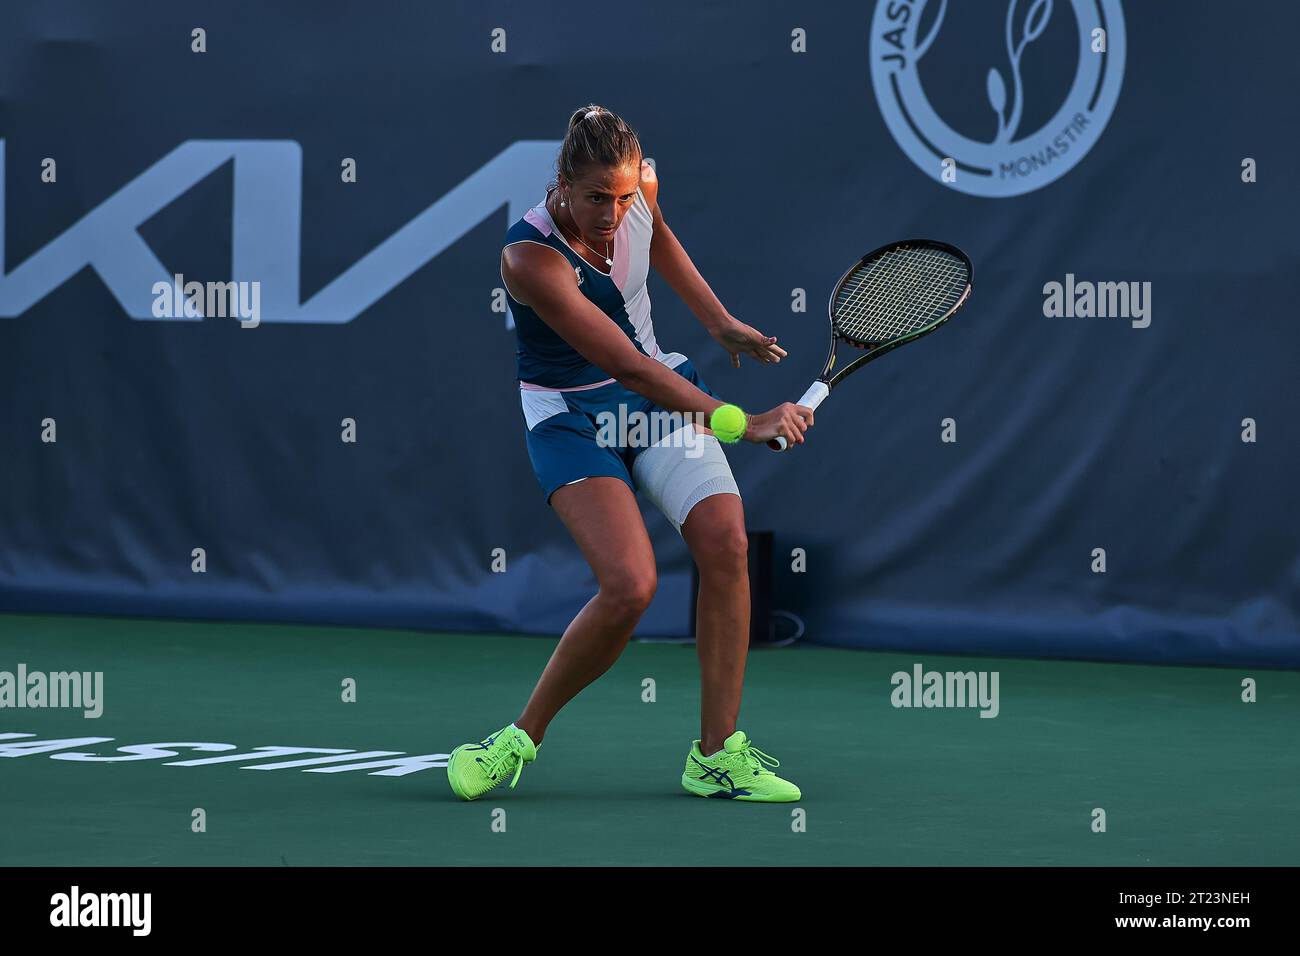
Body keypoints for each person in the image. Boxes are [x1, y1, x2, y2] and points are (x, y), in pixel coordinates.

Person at [447, 104, 813, 802]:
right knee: (630, 586)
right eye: (595, 198)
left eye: (622, 196)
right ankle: (519, 737)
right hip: (574, 417)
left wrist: (720, 321)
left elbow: (659, 237)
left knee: (726, 543)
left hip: (655, 402)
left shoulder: (638, 192)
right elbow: (632, 368)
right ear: (560, 183)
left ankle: (715, 756)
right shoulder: (529, 259)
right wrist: (747, 422)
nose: (613, 213)